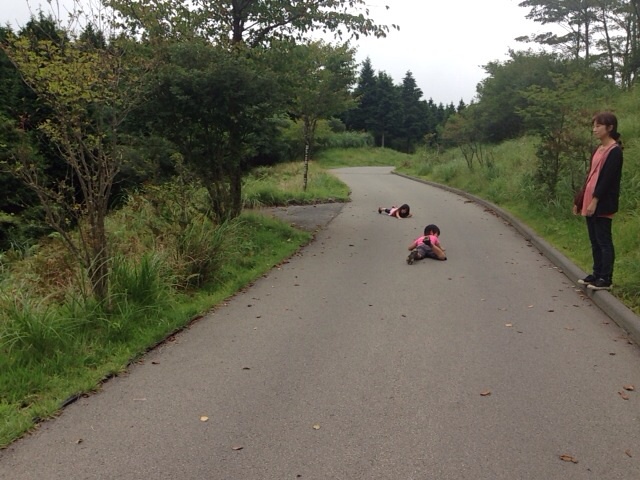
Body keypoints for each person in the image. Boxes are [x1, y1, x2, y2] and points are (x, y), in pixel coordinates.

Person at [573, 111, 623, 291]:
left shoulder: (614, 151)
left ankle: (606, 278)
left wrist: (595, 200)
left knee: (603, 240)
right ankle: (596, 273)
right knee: (594, 239)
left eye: (598, 126)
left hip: (602, 202)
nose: (594, 130)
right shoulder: (598, 149)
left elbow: (606, 180)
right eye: (593, 126)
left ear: (609, 128)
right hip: (589, 199)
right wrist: (580, 200)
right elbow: (590, 176)